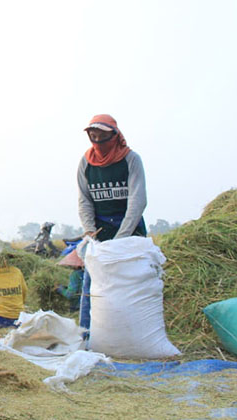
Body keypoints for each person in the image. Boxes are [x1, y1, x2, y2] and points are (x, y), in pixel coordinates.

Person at [76, 114, 147, 331]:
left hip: (129, 228)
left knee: (132, 282)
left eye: (103, 137)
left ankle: (134, 330)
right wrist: (89, 232)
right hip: (100, 230)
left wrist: (122, 238)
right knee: (92, 282)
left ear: (114, 136)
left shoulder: (130, 160)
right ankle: (87, 333)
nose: (98, 142)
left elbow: (137, 200)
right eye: (93, 136)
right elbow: (84, 199)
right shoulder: (86, 163)